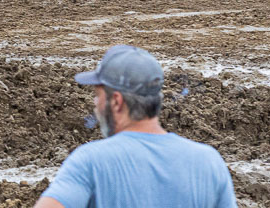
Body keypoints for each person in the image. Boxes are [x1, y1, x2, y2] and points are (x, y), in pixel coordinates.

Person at [33, 45, 236, 208]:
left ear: (117, 102)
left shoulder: (90, 162)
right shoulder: (208, 162)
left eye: (98, 96)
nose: (95, 104)